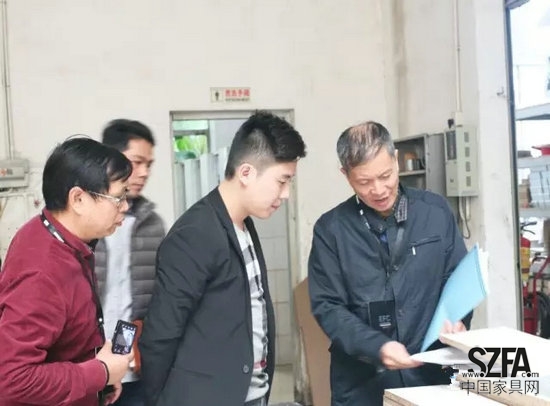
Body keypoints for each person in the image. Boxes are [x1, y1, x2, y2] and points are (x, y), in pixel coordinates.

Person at [139, 111, 307, 406]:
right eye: (282, 181)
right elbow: (162, 333)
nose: (286, 194)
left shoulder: (243, 224)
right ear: (246, 173)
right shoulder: (195, 233)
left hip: (250, 393)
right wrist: (156, 399)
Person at [308, 121, 471, 406]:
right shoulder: (331, 230)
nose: (379, 189)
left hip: (431, 374)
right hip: (363, 385)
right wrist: (378, 347)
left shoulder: (435, 212)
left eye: (386, 175)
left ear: (395, 160)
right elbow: (328, 307)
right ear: (345, 175)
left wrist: (459, 319)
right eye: (364, 182)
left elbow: (458, 278)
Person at [0, 137, 134, 406]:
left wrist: (101, 375)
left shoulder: (58, 236)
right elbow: (13, 378)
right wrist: (100, 372)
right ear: (78, 199)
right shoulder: (43, 271)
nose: (125, 206)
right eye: (118, 197)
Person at [95, 119, 165, 406]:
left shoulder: (152, 224)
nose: (144, 172)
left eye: (149, 164)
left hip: (131, 357)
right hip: (85, 360)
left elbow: (140, 303)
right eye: (137, 162)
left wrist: (127, 352)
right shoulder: (87, 220)